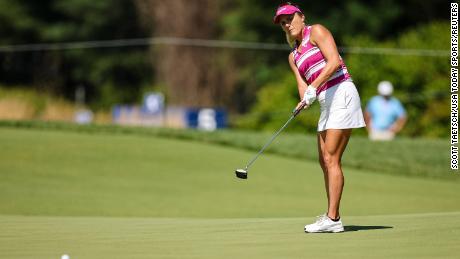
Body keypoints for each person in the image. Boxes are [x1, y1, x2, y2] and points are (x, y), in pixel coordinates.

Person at [273, 2, 366, 233]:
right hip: (325, 101)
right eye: (282, 22)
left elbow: (334, 61)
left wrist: (314, 85)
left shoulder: (317, 31)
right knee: (323, 160)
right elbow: (303, 88)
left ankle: (333, 219)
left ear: (301, 17)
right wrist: (304, 99)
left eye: (289, 18)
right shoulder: (293, 56)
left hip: (341, 92)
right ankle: (331, 217)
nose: (287, 24)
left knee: (332, 158)